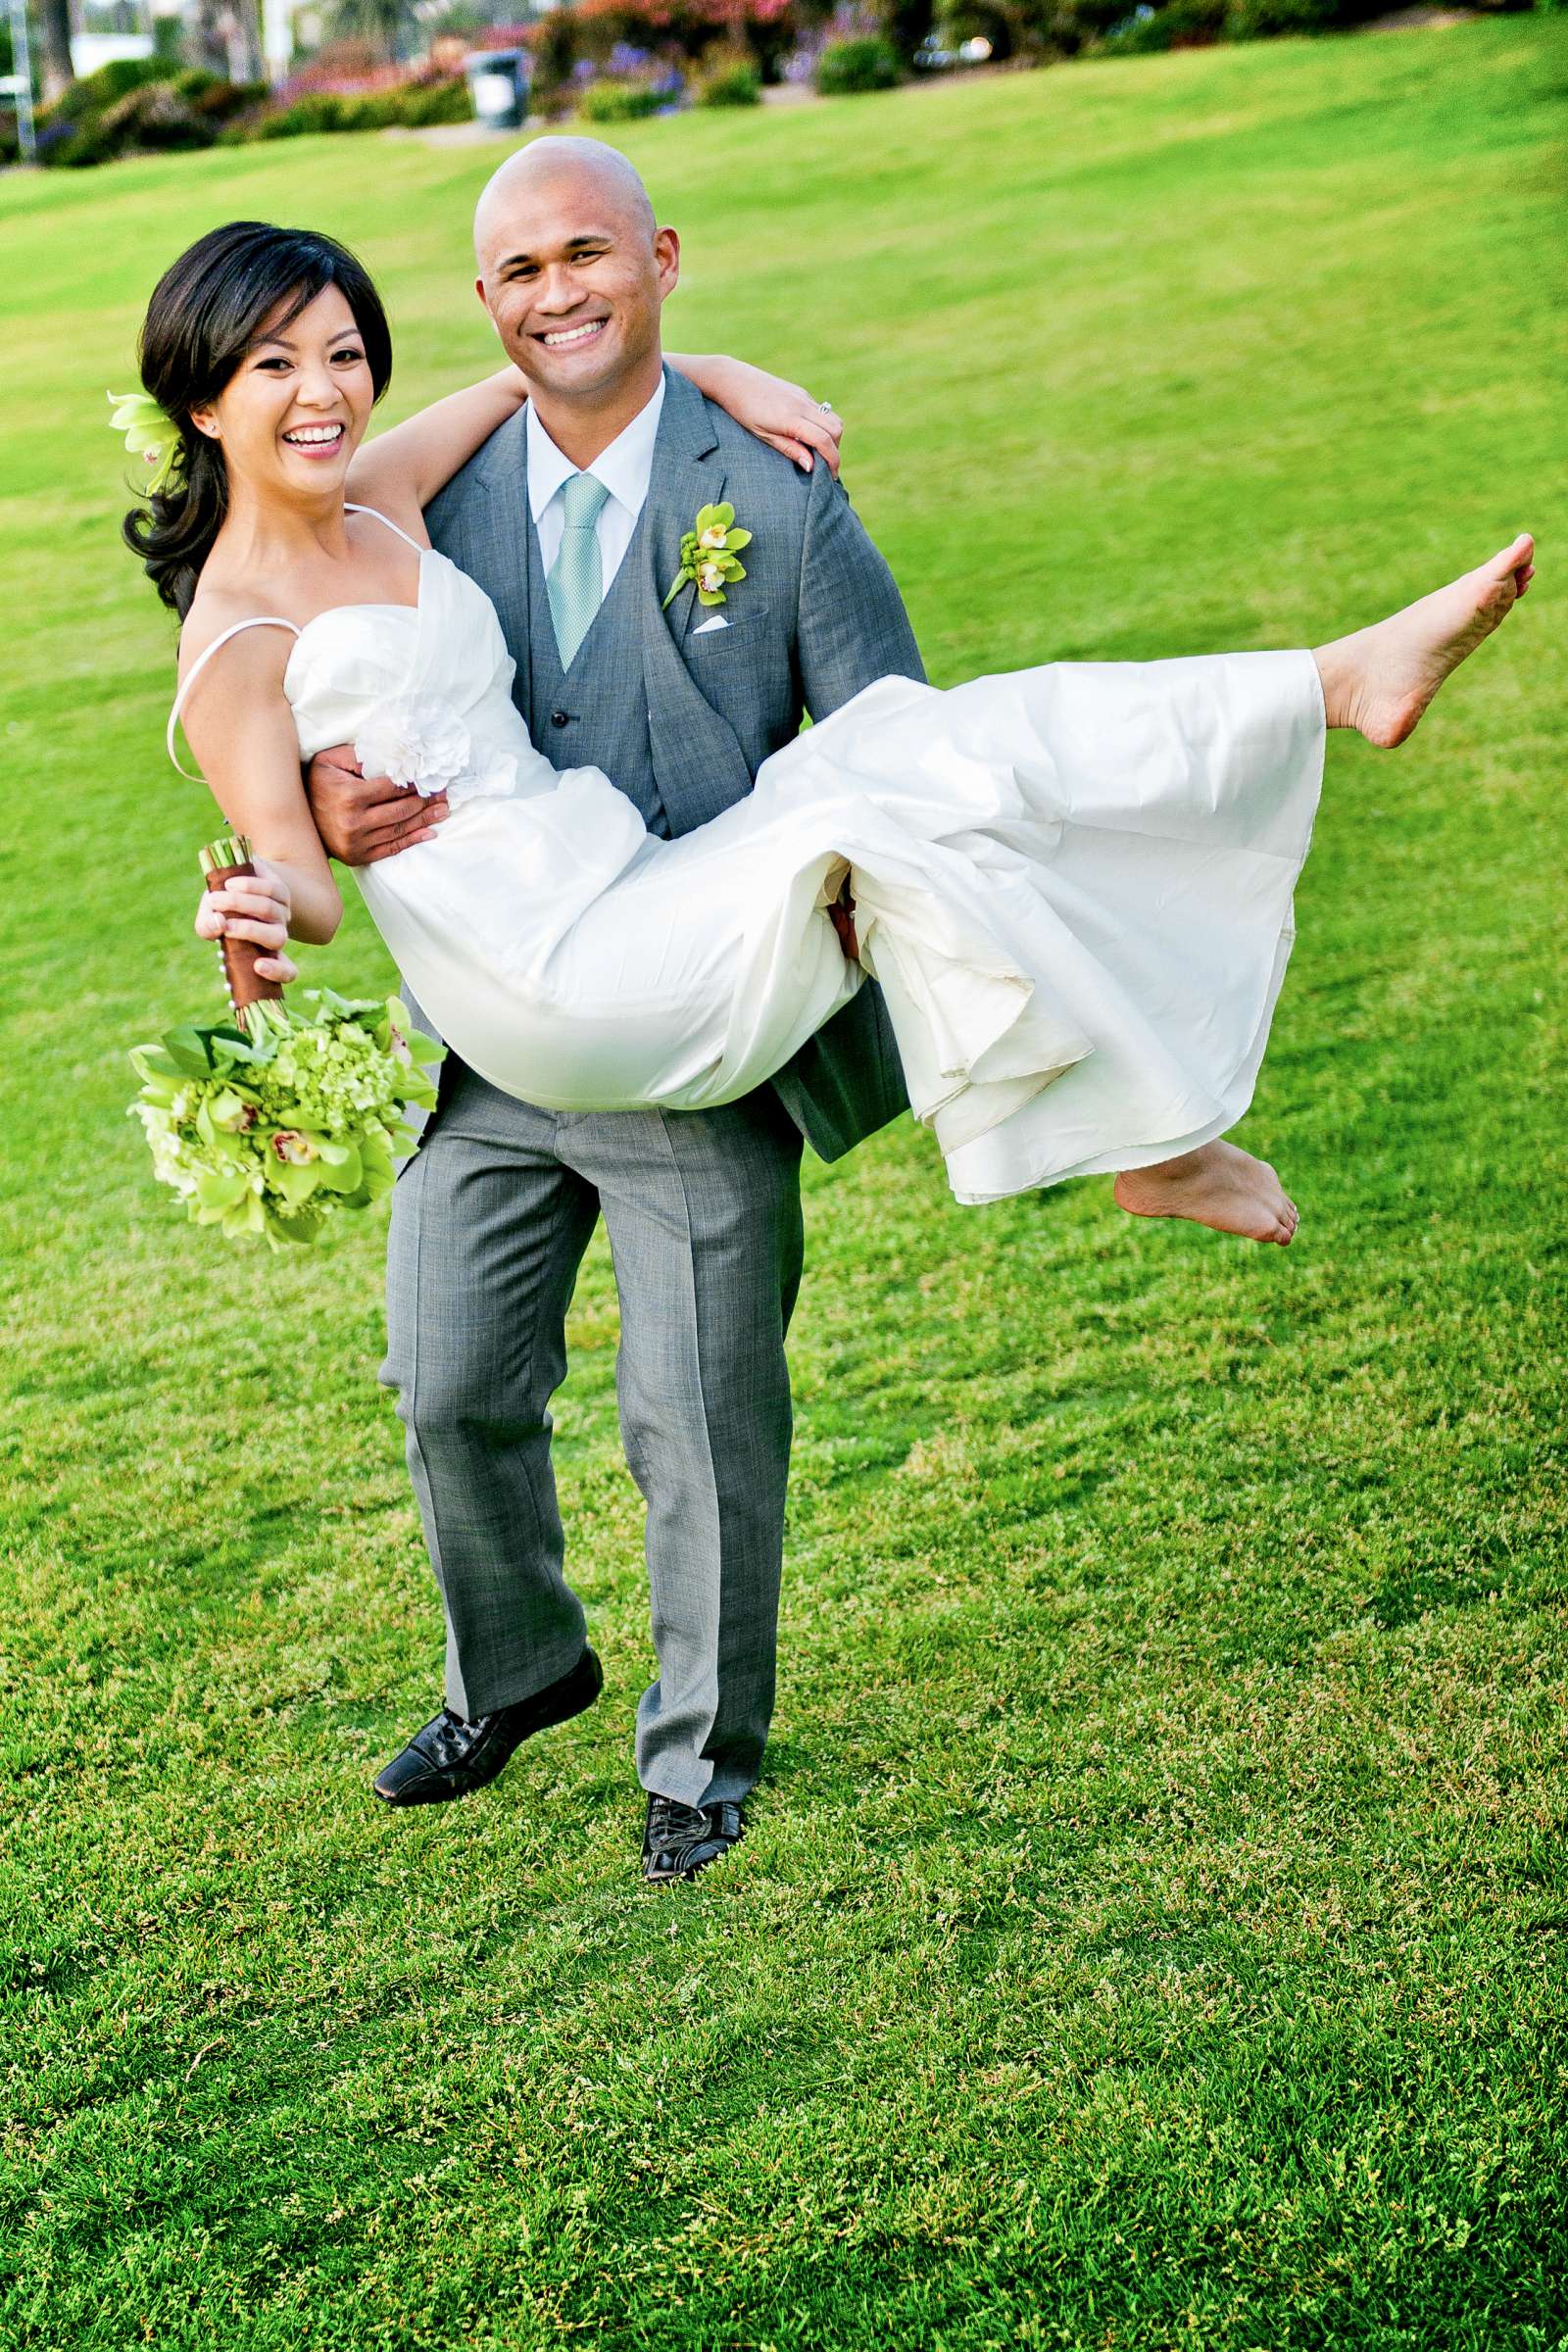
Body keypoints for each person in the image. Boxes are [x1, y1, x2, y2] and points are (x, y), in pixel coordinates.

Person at [128, 163, 1531, 1886]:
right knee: (445, 1384)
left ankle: (697, 1761)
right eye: (273, 366)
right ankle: (518, 1672)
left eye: (343, 350)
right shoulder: (252, 624)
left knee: (702, 1399)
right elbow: (299, 873)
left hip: (656, 933)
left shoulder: (409, 501)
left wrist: (707, 375)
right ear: (201, 398)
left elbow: (541, 366)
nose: (324, 388)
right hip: (528, 1012)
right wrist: (278, 887)